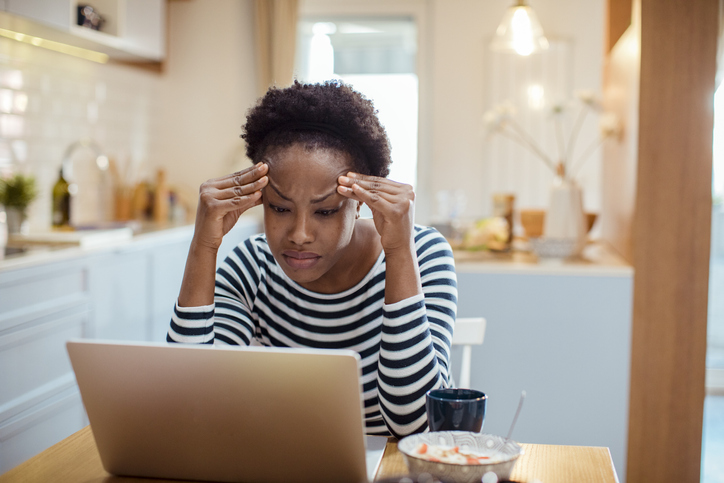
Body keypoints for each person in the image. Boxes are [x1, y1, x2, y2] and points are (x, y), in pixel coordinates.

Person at [168, 80, 457, 438]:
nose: (299, 234)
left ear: (361, 201)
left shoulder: (422, 254)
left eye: (325, 211)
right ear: (259, 199)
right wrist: (203, 246)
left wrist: (398, 252)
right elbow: (188, 408)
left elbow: (416, 423)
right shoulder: (252, 268)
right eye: (279, 207)